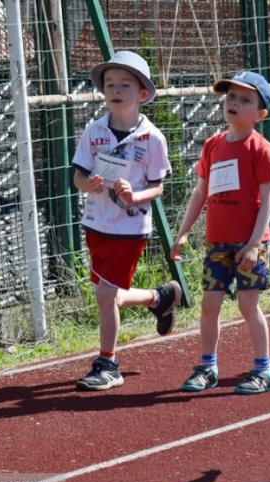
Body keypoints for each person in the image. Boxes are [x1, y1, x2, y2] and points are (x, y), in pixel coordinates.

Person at [72, 50, 181, 391]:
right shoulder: (94, 131)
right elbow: (78, 175)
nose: (115, 90)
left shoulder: (152, 139)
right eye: (109, 84)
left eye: (124, 85)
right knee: (109, 296)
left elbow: (158, 186)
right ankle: (159, 298)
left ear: (143, 95)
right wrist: (87, 184)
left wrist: (135, 196)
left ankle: (108, 363)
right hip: (96, 223)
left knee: (106, 295)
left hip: (130, 228)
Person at [170, 71, 270, 395]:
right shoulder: (213, 145)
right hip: (218, 242)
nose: (234, 103)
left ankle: (264, 369)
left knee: (248, 305)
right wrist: (184, 232)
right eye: (230, 96)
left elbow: (268, 201)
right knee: (209, 304)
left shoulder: (260, 149)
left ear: (260, 114)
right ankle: (207, 366)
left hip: (250, 243)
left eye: (245, 100)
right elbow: (200, 192)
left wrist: (254, 245)